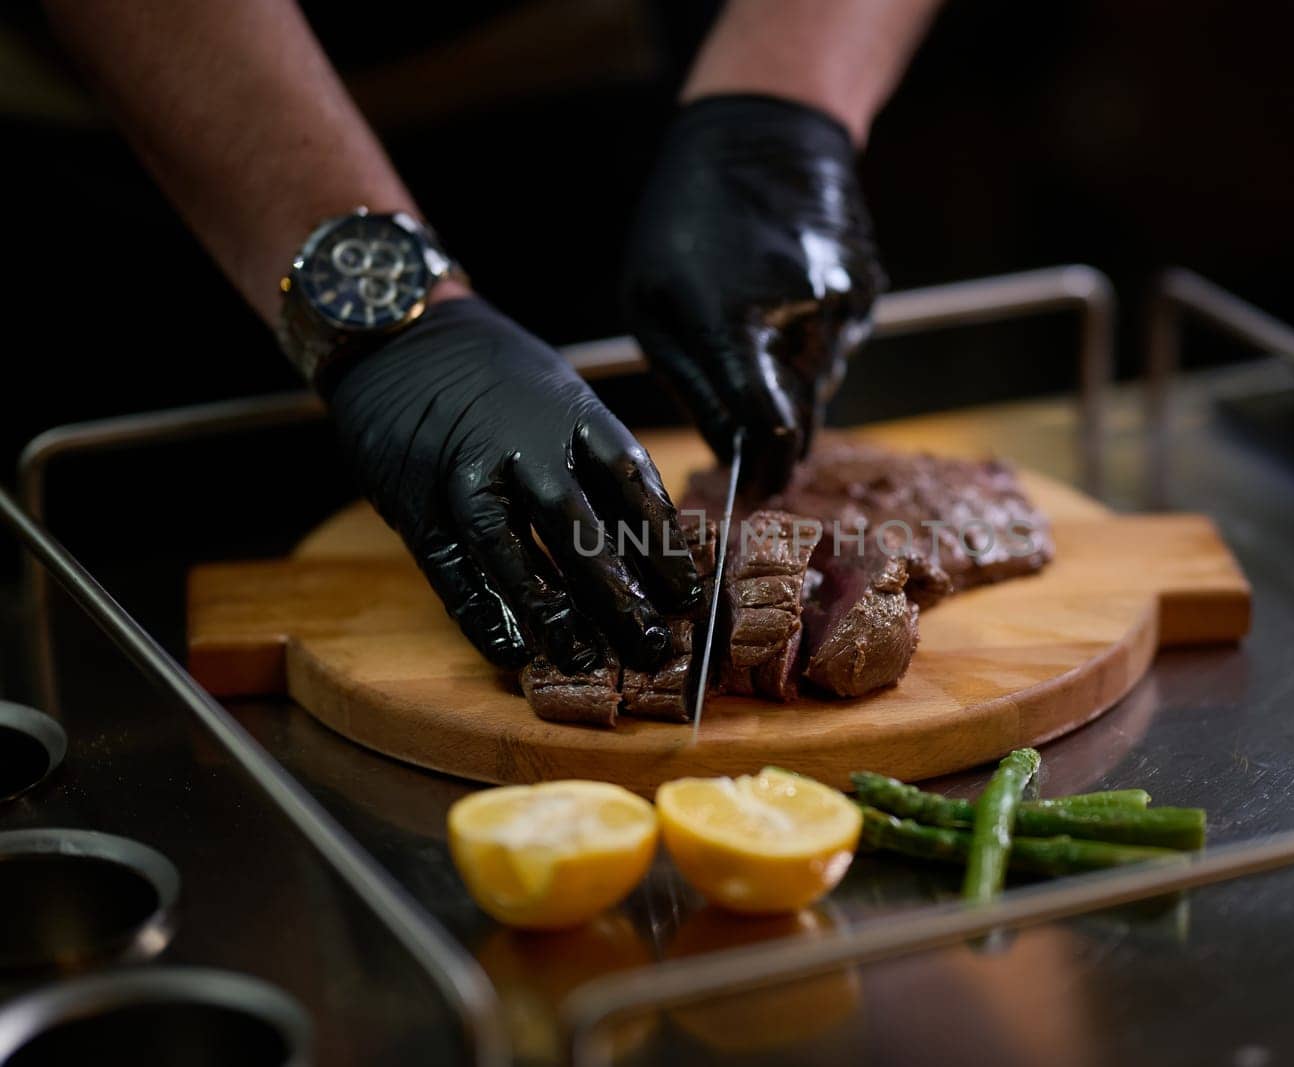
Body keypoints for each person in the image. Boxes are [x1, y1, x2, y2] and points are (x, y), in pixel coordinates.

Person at [42, 0, 942, 677]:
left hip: (618, 125)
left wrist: (785, 103)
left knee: (626, 522)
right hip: (185, 175)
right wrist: (381, 308)